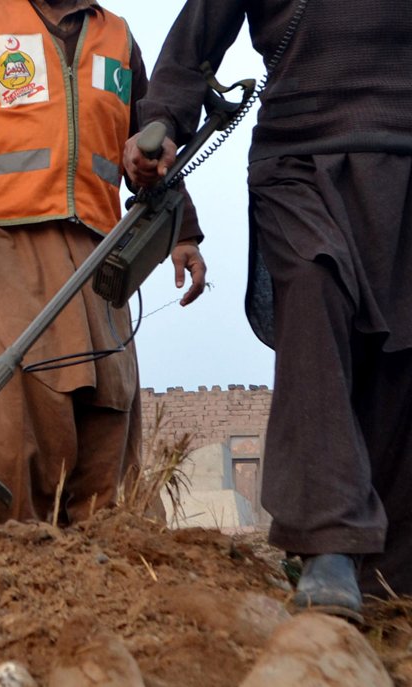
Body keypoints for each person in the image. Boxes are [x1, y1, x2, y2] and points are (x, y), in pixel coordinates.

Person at [124, 0, 412, 617]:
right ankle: (328, 542)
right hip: (300, 156)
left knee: (400, 361)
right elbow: (191, 47)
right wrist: (162, 124)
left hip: (404, 155)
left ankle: (388, 578)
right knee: (313, 293)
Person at [0, 0, 207, 526]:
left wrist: (183, 233)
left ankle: (98, 539)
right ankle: (14, 539)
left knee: (109, 387)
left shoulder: (118, 37)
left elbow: (153, 140)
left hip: (100, 240)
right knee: (18, 397)